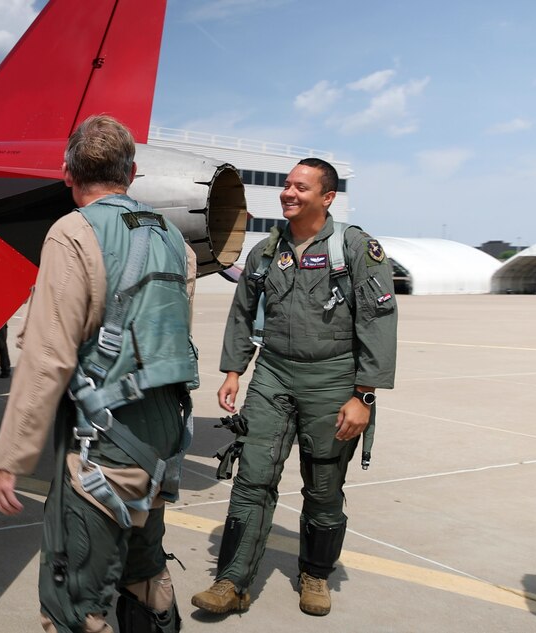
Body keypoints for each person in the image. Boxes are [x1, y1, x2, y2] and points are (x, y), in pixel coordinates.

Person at [0, 114, 198, 633]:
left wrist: (9, 457)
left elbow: (47, 357)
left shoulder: (71, 235)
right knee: (144, 573)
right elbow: (172, 334)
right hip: (162, 441)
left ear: (66, 174)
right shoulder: (174, 238)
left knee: (74, 598)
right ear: (133, 172)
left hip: (103, 444)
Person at [190, 158, 397, 617]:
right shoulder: (266, 251)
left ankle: (315, 574)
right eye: (286, 185)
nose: (288, 193)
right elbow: (244, 311)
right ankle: (232, 581)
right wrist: (233, 370)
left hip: (333, 378)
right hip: (274, 375)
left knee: (323, 487)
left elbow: (378, 321)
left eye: (300, 187)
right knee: (252, 478)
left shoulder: (357, 248)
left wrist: (363, 396)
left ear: (326, 198)